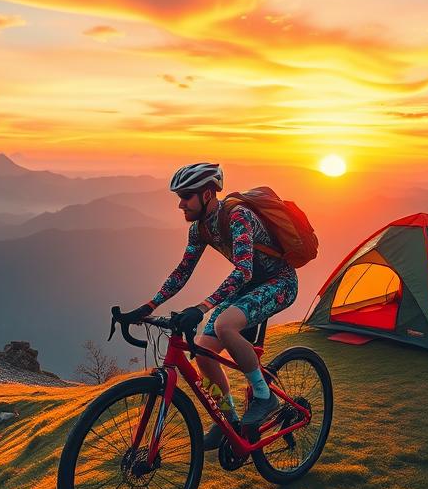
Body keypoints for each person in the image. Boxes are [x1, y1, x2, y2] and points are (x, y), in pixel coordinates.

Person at [122, 162, 298, 446]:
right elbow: (182, 272)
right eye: (179, 196)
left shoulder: (238, 216)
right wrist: (148, 307)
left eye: (186, 196)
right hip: (248, 287)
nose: (180, 204)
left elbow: (243, 270)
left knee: (226, 325)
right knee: (202, 353)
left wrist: (202, 307)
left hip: (280, 282)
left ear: (207, 194)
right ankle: (229, 419)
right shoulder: (200, 229)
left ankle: (264, 397)